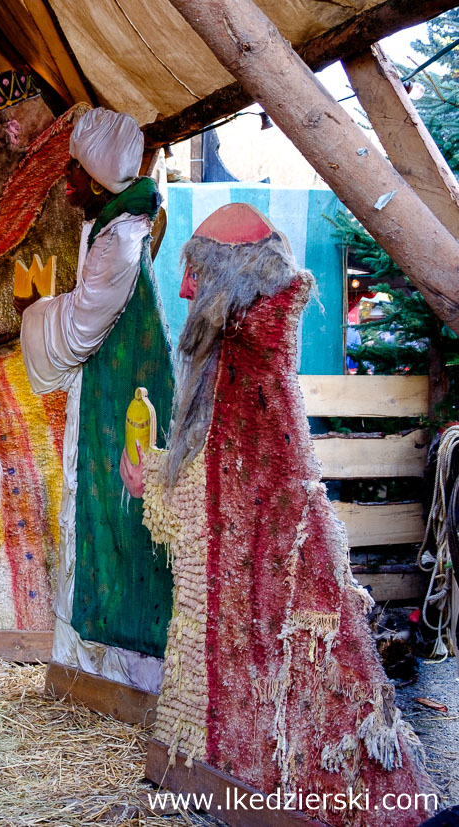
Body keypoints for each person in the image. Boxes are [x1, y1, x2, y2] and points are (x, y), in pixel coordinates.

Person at [120, 203, 436, 825]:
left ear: (230, 281)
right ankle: (205, 766)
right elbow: (211, 478)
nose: (183, 288)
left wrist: (158, 478)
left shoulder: (249, 367)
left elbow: (226, 491)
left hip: (259, 579)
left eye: (196, 274)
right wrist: (156, 471)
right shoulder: (226, 362)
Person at [0, 73, 174, 690]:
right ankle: (15, 620)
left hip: (40, 389)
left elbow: (31, 283)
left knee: (36, 501)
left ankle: (37, 623)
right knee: (11, 504)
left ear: (11, 131)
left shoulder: (60, 189)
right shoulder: (30, 189)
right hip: (21, 381)